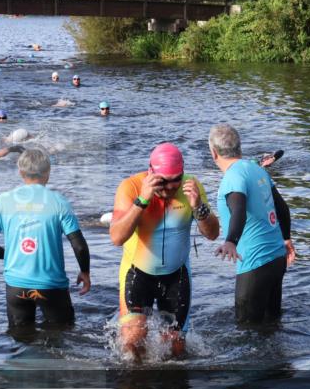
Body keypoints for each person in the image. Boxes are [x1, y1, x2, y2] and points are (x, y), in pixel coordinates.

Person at [109, 143, 220, 359]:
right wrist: (142, 200)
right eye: (163, 180)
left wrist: (198, 207)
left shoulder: (191, 185)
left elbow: (213, 234)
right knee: (133, 340)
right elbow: (116, 237)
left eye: (175, 179)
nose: (170, 187)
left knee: (176, 348)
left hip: (176, 276)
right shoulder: (130, 187)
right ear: (151, 172)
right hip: (137, 273)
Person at [0, 148, 91, 330]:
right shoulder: (59, 202)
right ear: (48, 172)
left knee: (20, 337)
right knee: (61, 336)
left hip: (16, 286)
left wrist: (8, 256)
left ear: (20, 172)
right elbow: (79, 246)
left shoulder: (3, 200)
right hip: (51, 286)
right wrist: (85, 272)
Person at [209, 124, 296, 325]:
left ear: (214, 153)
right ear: (239, 147)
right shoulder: (257, 169)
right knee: (272, 326)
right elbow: (282, 208)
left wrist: (230, 241)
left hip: (255, 264)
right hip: (276, 259)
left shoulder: (233, 177)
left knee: (247, 333)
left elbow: (238, 209)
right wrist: (286, 239)